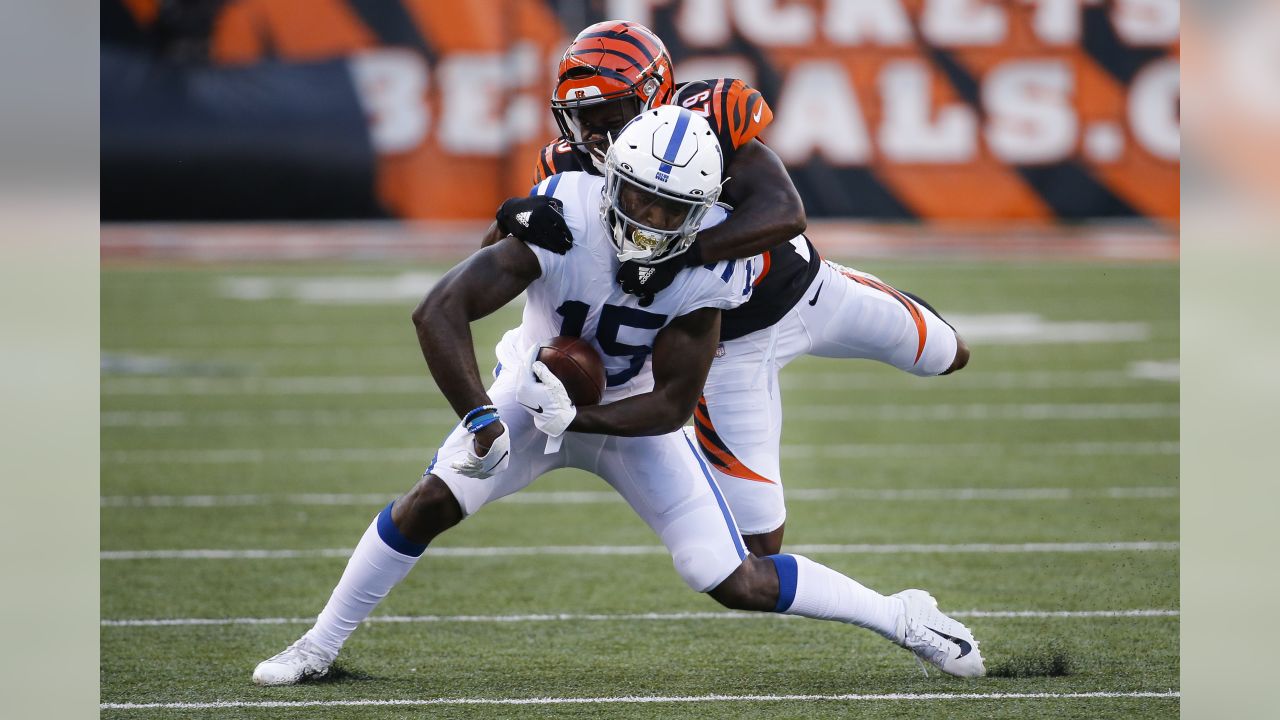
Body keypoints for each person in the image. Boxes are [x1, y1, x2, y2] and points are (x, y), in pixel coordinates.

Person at [252, 106, 984, 686]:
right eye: (637, 198)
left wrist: (583, 418)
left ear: (702, 213)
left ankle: (902, 617)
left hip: (632, 418)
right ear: (610, 179)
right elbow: (438, 309)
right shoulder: (562, 214)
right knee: (432, 499)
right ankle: (318, 645)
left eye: (671, 210)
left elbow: (672, 404)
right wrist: (481, 417)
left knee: (732, 577)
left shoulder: (711, 270)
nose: (649, 220)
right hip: (530, 387)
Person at [494, 21, 970, 558]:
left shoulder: (709, 120)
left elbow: (786, 212)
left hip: (805, 290)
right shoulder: (567, 165)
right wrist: (512, 216)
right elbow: (500, 260)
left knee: (948, 354)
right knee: (760, 548)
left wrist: (679, 257)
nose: (598, 134)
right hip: (724, 345)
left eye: (611, 115)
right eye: (584, 119)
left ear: (655, 96)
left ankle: (883, 297)